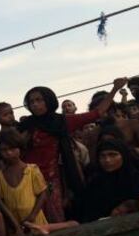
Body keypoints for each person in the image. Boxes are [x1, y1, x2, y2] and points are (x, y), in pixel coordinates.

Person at [18, 80, 125, 222]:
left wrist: (115, 89)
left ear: (49, 100)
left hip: (52, 181)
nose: (35, 104)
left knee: (54, 220)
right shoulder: (25, 125)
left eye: (39, 100)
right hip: (26, 181)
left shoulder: (62, 121)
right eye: (31, 102)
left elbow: (96, 113)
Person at [78, 138, 139, 222]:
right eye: (102, 156)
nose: (107, 160)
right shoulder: (94, 185)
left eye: (113, 155)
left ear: (123, 155)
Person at [0, 128, 49, 229]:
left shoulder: (32, 170)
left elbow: (42, 193)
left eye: (12, 148)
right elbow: (2, 201)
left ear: (20, 148)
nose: (9, 153)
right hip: (15, 225)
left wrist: (33, 215)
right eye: (4, 150)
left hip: (35, 221)